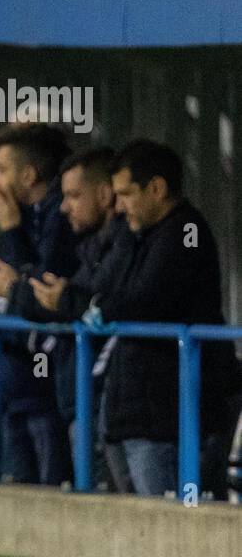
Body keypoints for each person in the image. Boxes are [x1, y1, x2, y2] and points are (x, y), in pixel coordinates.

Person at [87, 140, 237, 496]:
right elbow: (103, 285)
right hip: (138, 409)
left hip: (167, 413)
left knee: (168, 516)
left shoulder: (187, 232)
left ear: (157, 188)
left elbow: (147, 299)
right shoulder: (141, 234)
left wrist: (104, 308)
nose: (118, 207)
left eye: (126, 194)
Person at [15, 147, 132, 491]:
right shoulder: (92, 246)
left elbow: (105, 301)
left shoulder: (124, 243)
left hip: (106, 402)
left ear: (104, 194)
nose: (65, 207)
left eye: (73, 196)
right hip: (87, 400)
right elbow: (64, 300)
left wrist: (61, 297)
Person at [0, 123, 79, 486]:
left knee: (49, 490)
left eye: (2, 169)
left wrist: (10, 229)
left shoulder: (59, 217)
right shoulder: (24, 216)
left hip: (43, 386)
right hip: (12, 378)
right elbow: (1, 285)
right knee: (12, 495)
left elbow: (36, 290)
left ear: (29, 173)